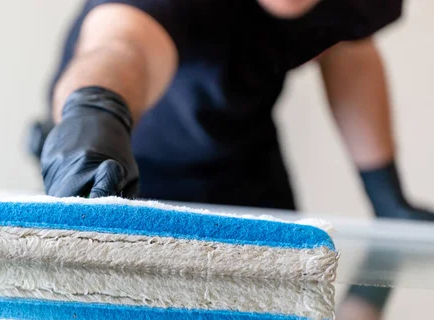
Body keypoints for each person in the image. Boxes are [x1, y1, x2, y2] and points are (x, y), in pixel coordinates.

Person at [30, 0, 434, 222]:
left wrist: (386, 194)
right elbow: (122, 46)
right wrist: (94, 113)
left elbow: (348, 47)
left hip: (243, 156)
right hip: (124, 167)